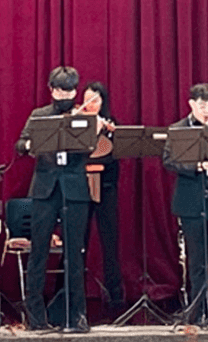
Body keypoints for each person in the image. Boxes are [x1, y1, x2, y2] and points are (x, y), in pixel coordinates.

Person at [16, 66, 92, 332]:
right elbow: (20, 144)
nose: (65, 96)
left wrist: (94, 131)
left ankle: (76, 315)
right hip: (45, 189)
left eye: (69, 91)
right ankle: (36, 317)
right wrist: (32, 145)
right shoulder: (39, 115)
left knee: (75, 254)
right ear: (51, 89)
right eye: (60, 91)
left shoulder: (83, 116)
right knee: (39, 252)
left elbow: (92, 149)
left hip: (75, 190)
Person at [163, 82, 208, 324]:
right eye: (203, 105)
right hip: (190, 202)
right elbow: (168, 161)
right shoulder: (178, 129)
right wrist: (196, 166)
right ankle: (198, 313)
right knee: (196, 262)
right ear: (191, 104)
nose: (207, 110)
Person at [77, 81, 124, 316]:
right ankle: (72, 297)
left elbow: (114, 157)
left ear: (102, 102)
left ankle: (116, 299)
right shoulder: (76, 123)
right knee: (78, 242)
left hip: (105, 187)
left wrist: (108, 132)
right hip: (80, 188)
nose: (90, 104)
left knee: (110, 242)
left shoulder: (112, 123)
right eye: (86, 99)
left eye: (95, 100)